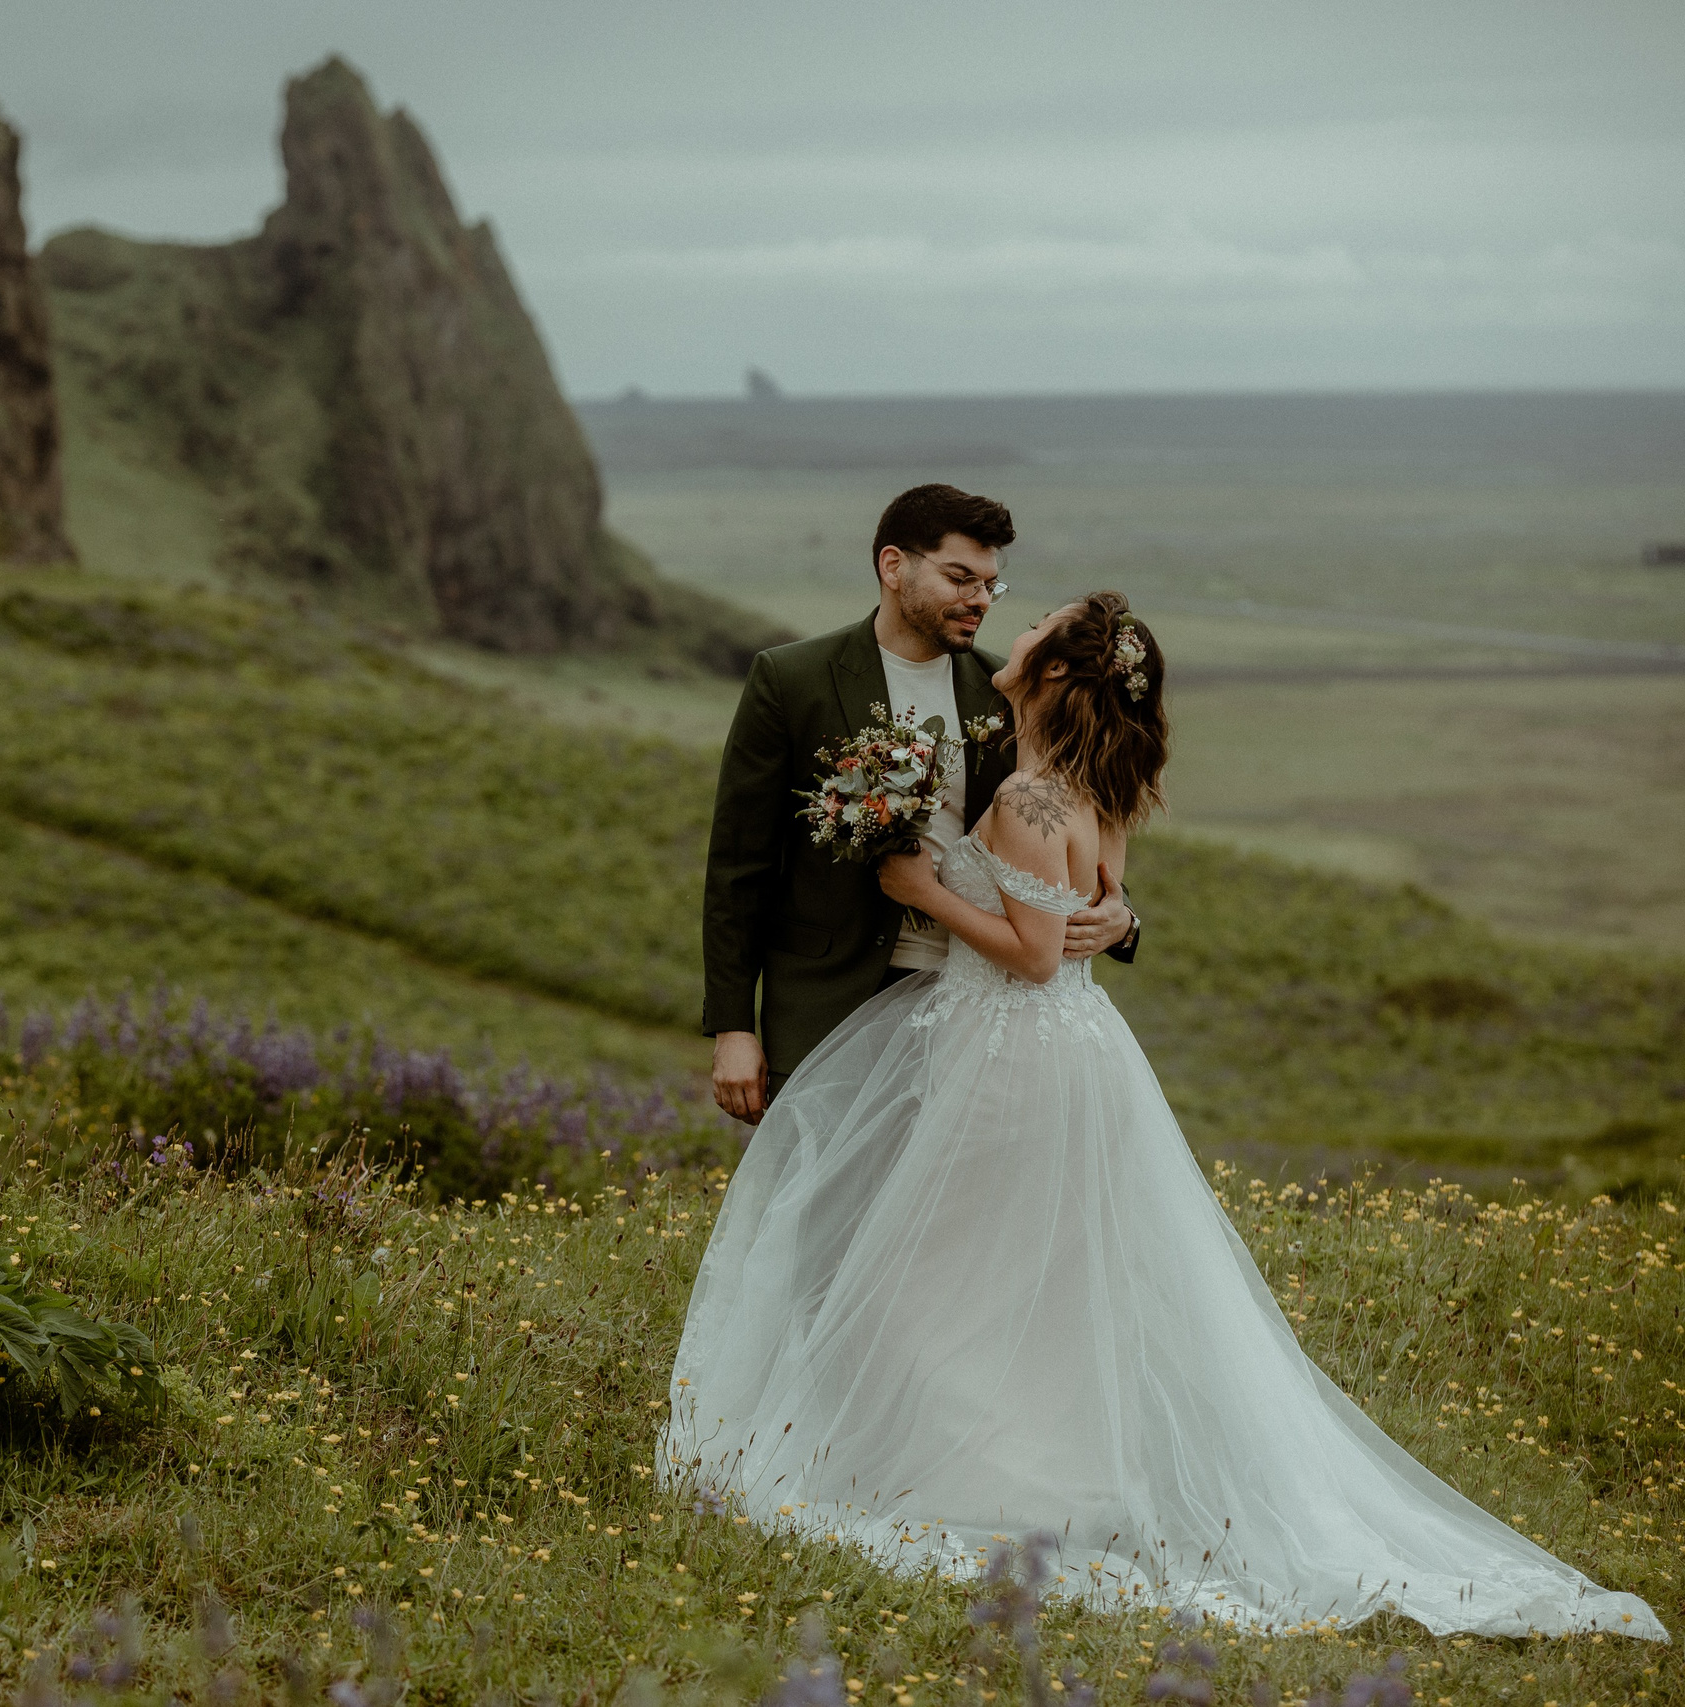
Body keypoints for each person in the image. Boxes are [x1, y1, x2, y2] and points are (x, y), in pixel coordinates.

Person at [664, 591, 1666, 1638]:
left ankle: (976, 1481)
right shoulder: (1095, 791)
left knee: (947, 1271)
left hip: (1004, 1051)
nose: (1019, 623)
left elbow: (1037, 955)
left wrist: (921, 890)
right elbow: (1101, 905)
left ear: (1052, 674)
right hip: (1074, 1056)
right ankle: (1047, 1474)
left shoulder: (1026, 801)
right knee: (1035, 1276)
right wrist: (1099, 911)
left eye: (1037, 621)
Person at [699, 484, 1137, 1127]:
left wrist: (1122, 919)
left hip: (968, 1002)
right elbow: (739, 866)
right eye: (961, 578)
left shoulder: (1006, 694)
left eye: (991, 585)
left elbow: (1071, 824)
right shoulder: (791, 680)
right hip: (827, 999)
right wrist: (733, 1026)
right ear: (893, 565)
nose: (980, 599)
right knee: (813, 1212)